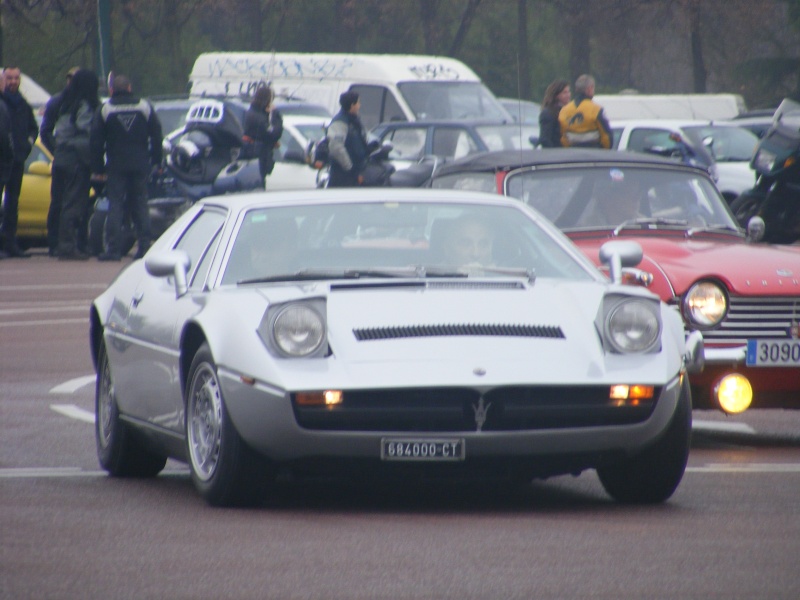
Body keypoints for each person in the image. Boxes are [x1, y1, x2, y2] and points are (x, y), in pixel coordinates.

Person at [91, 74, 163, 261]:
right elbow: (157, 134)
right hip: (140, 164)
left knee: (115, 206)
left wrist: (98, 168)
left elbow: (96, 141)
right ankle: (144, 247)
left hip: (116, 165)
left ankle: (113, 250)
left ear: (111, 90)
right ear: (130, 88)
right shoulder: (144, 106)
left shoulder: (105, 109)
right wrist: (157, 161)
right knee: (140, 204)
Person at [52, 69, 100, 260]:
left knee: (61, 201)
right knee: (74, 202)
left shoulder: (65, 105)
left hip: (60, 156)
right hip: (76, 159)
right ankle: (67, 247)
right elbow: (86, 130)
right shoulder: (85, 105)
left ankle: (60, 244)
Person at [40, 67, 80, 257]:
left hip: (78, 159)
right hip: (63, 159)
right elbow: (45, 131)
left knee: (76, 202)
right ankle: (54, 243)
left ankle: (76, 242)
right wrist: (57, 150)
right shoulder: (57, 102)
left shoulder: (84, 101)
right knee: (58, 202)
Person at [1, 67, 39, 257]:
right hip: (1, 160)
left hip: (16, 160)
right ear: (3, 79)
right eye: (9, 78)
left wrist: (27, 144)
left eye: (16, 78)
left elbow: (34, 128)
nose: (13, 81)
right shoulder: (2, 102)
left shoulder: (23, 104)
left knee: (12, 203)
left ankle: (9, 243)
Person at [243, 83, 283, 189]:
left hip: (255, 157)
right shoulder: (258, 117)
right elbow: (273, 134)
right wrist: (275, 115)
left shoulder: (253, 113)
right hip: (258, 158)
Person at [327, 90, 369, 187]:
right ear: (352, 105)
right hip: (342, 175)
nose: (360, 105)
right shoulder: (340, 122)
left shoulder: (354, 121)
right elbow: (336, 147)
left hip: (354, 172)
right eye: (358, 102)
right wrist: (350, 168)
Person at [559, 74, 611, 149]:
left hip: (572, 154)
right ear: (589, 89)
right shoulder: (596, 109)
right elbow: (606, 137)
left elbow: (563, 138)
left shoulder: (564, 111)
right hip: (594, 153)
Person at [538, 79, 570, 148]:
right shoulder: (548, 113)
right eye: (565, 93)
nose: (568, 95)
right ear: (556, 95)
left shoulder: (568, 110)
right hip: (556, 154)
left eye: (568, 92)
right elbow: (545, 139)